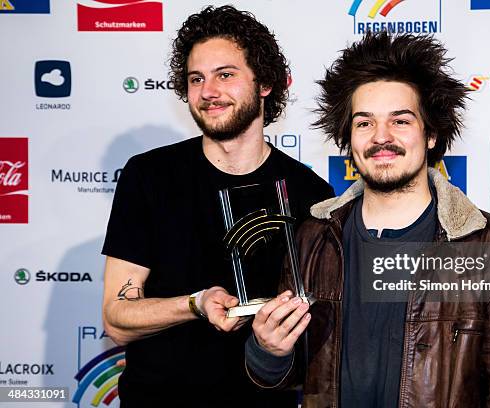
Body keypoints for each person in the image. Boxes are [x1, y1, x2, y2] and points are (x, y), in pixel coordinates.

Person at [246, 32, 490, 407]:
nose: (381, 137)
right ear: (348, 138)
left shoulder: (487, 243)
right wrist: (268, 350)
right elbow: (288, 376)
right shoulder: (313, 239)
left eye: (401, 121)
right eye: (364, 123)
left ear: (431, 133)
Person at [101, 5, 333, 407]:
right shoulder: (149, 175)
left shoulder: (312, 193)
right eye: (197, 78)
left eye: (225, 75)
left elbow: (321, 327)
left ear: (265, 84)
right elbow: (116, 319)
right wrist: (196, 302)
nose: (208, 91)